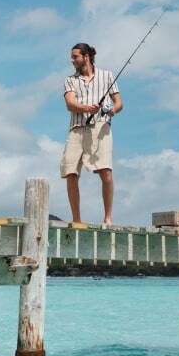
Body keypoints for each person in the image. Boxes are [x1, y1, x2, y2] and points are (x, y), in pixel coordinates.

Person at [61, 42, 122, 226]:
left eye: (75, 57)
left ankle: (108, 217)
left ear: (86, 56)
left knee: (106, 173)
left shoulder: (108, 75)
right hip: (76, 129)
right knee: (70, 173)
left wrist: (111, 111)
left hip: (100, 128)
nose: (72, 60)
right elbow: (70, 104)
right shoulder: (70, 80)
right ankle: (77, 219)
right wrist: (88, 108)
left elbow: (119, 102)